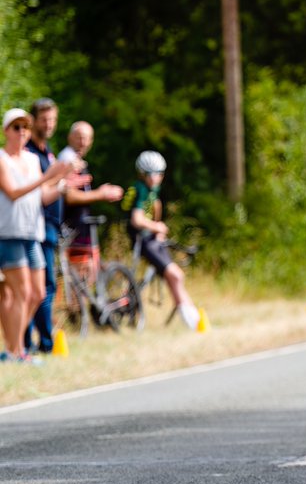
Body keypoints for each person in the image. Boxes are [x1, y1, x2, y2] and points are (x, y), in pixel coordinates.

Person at [0, 108, 77, 362]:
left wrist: (62, 182)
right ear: (6, 131)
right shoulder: (2, 158)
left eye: (25, 127)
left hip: (33, 232)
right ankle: (16, 351)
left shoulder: (33, 159)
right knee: (20, 293)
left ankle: (13, 348)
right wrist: (48, 176)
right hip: (10, 233)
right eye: (16, 127)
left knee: (38, 294)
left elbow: (42, 195)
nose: (22, 132)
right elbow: (12, 193)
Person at [123, 150, 200, 330]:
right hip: (143, 242)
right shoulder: (140, 189)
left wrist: (158, 226)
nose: (156, 178)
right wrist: (156, 227)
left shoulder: (151, 189)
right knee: (175, 275)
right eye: (152, 174)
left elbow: (156, 204)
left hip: (152, 240)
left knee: (175, 277)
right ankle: (192, 321)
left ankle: (193, 318)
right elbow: (137, 219)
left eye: (159, 174)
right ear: (143, 174)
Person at [59, 121, 126, 276]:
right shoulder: (68, 159)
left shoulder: (77, 159)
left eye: (87, 138)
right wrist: (101, 194)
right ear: (70, 137)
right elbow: (69, 196)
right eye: (79, 137)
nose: (83, 142)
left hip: (81, 226)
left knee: (90, 271)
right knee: (81, 274)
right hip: (72, 228)